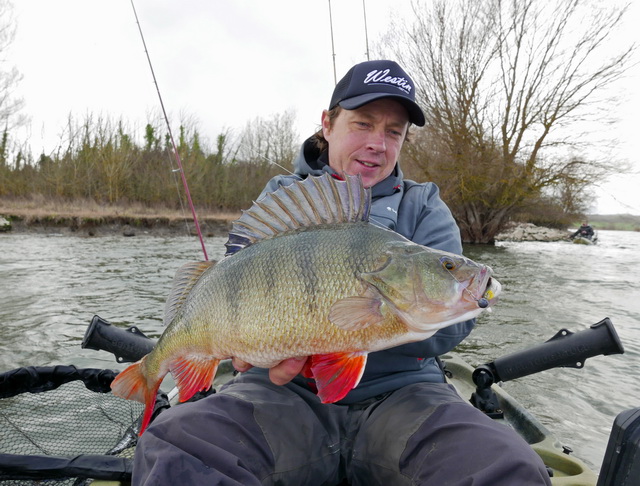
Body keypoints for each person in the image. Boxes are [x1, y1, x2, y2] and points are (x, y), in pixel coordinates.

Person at [132, 60, 551, 485]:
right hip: (281, 394)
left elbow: (450, 329)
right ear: (328, 125)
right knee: (175, 449)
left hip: (406, 395)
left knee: (508, 469)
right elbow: (232, 290)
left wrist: (372, 320)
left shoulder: (424, 207)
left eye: (393, 132)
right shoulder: (283, 198)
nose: (377, 144)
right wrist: (247, 344)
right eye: (363, 124)